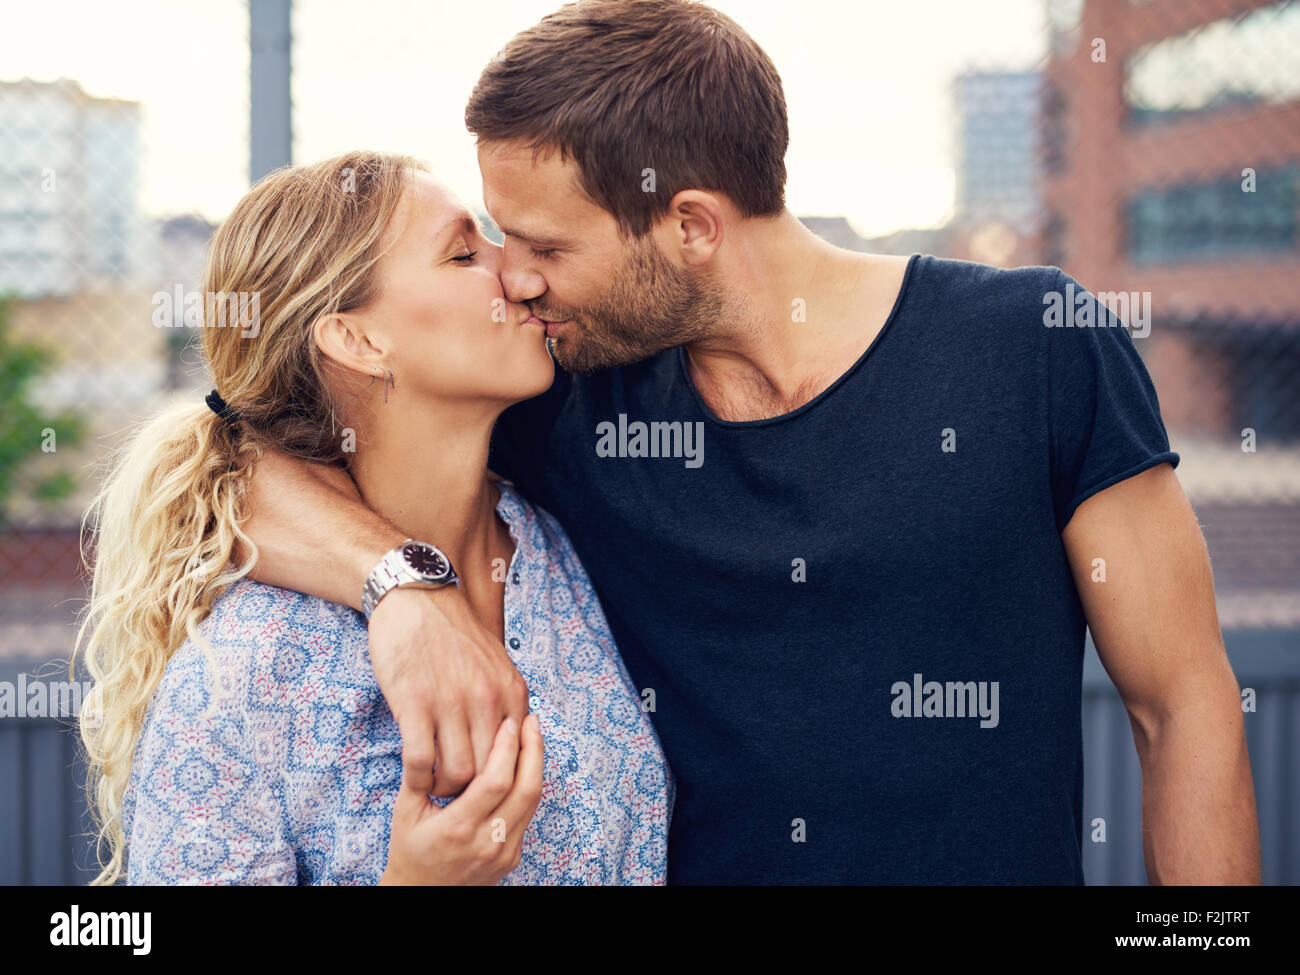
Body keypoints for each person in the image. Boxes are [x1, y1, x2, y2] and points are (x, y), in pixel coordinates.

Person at [238, 0, 1260, 884]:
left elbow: (1181, 706)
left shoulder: (1035, 346)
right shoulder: (562, 395)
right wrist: (402, 593)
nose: (516, 278)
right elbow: (242, 462)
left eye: (547, 246)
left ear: (690, 226)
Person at [74, 151, 673, 885]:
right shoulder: (243, 672)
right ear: (358, 340)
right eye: (463, 253)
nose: (518, 275)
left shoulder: (575, 549)